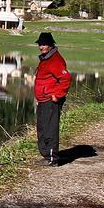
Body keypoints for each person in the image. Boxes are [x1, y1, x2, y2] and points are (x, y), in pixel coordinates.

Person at [34, 32, 71, 166]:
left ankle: (52, 158)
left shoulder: (55, 60)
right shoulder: (45, 58)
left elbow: (66, 79)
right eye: (40, 44)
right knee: (42, 128)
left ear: (50, 45)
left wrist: (57, 95)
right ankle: (46, 155)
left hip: (50, 101)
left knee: (50, 129)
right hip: (43, 100)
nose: (41, 47)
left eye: (44, 44)